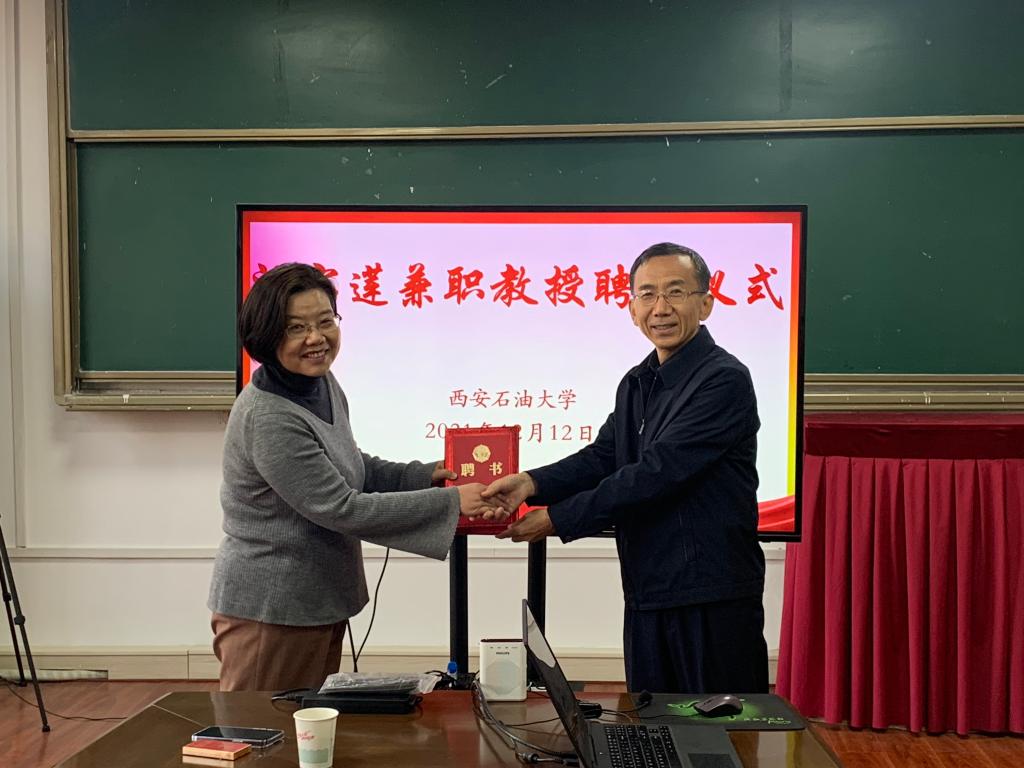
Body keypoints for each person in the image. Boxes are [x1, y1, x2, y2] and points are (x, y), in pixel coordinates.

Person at [483, 243, 768, 695]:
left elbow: (658, 471)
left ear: (706, 304)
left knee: (719, 726)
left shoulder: (724, 379)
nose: (661, 308)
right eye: (647, 294)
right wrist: (531, 483)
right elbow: (603, 457)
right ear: (632, 309)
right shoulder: (637, 381)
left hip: (709, 594)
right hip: (647, 589)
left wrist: (558, 518)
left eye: (675, 292)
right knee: (651, 720)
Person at [208, 262, 494, 691]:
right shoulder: (267, 416)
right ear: (265, 335)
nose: (316, 338)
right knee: (263, 727)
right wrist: (451, 502)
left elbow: (349, 466)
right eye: (296, 328)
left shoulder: (321, 383)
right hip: (272, 608)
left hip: (315, 598)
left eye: (326, 321)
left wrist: (425, 475)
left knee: (308, 722)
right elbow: (340, 507)